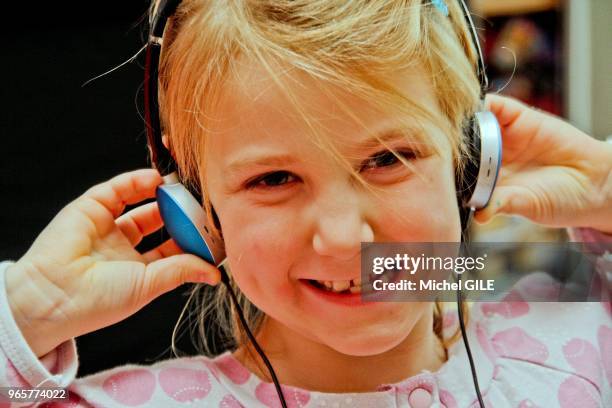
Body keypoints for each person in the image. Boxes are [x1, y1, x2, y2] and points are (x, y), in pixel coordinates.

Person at [1, 0, 611, 407]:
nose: (345, 240)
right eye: (273, 180)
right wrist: (28, 313)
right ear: (194, 206)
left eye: (389, 159)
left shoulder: (574, 331)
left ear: (469, 158)